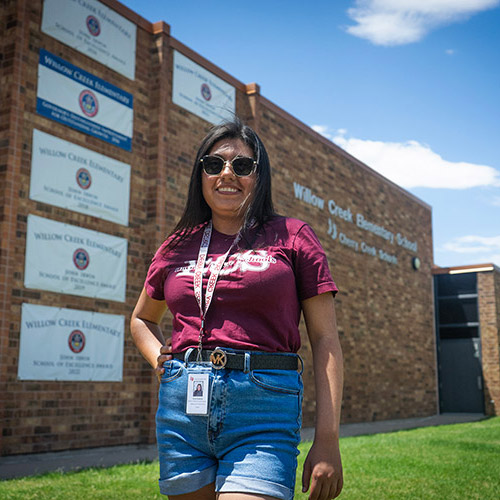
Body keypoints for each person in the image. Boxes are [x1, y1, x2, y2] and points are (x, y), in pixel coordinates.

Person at [130, 118, 343, 500]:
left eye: (242, 165)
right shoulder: (175, 245)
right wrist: (158, 360)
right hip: (182, 414)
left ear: (259, 177)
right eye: (214, 164)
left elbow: (326, 338)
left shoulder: (293, 237)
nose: (227, 173)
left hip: (261, 411)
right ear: (202, 174)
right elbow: (143, 318)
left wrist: (327, 439)